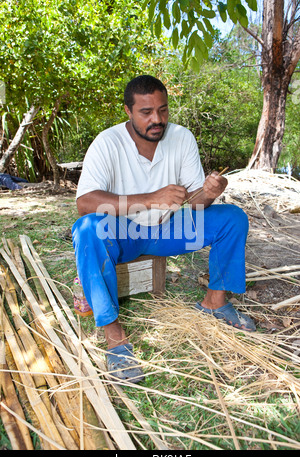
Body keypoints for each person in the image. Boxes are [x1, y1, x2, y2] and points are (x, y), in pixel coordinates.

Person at [72, 75, 256, 384]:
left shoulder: (181, 138)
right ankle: (115, 340)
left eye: (163, 110)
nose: (157, 119)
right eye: (146, 112)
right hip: (124, 233)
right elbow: (85, 202)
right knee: (88, 228)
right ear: (129, 112)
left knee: (232, 218)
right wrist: (150, 199)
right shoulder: (108, 142)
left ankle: (214, 302)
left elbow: (197, 204)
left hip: (168, 230)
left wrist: (211, 192)